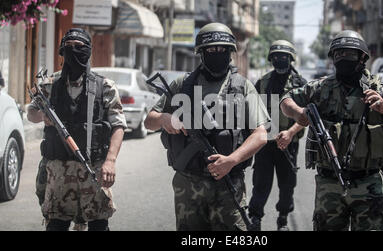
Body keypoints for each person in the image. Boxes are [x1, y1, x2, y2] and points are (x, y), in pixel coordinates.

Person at [280, 30, 383, 231]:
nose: (343, 58)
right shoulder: (321, 88)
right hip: (329, 183)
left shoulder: (379, 90)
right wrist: (298, 113)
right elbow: (285, 100)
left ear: (362, 57)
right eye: (338, 54)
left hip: (368, 183)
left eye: (349, 54)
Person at [145, 23, 270, 231]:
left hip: (229, 183)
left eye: (222, 49)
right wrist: (164, 118)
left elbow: (261, 135)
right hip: (188, 184)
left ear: (230, 53)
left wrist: (231, 161)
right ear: (201, 53)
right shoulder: (182, 85)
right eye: (211, 49)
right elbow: (149, 121)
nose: (217, 53)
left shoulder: (242, 86)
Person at [27, 28, 127, 231]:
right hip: (57, 173)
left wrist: (110, 161)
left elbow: (118, 125)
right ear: (62, 51)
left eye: (79, 46)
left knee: (99, 224)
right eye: (69, 46)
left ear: (88, 51)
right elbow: (31, 113)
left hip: (93, 169)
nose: (74, 50)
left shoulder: (104, 86)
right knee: (56, 225)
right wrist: (42, 115)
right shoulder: (49, 84)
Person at [248, 40, 307, 231]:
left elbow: (307, 117)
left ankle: (282, 219)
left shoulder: (301, 85)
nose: (279, 59)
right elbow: (252, 111)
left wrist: (290, 133)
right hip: (265, 143)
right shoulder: (263, 82)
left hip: (289, 143)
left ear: (290, 59)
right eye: (276, 56)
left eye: (283, 56)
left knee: (287, 184)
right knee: (261, 182)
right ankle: (255, 218)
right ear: (271, 59)